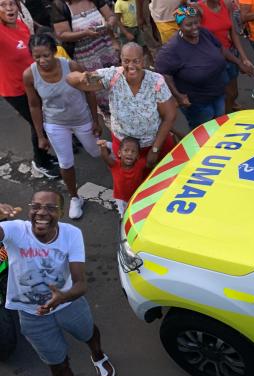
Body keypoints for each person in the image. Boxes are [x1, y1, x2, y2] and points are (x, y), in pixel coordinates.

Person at [0, 190, 116, 376]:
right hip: (32, 316)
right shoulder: (16, 230)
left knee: (88, 333)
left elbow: (80, 283)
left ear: (61, 213)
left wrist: (63, 296)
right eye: (36, 206)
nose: (41, 212)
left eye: (50, 208)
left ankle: (98, 356)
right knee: (58, 365)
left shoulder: (72, 234)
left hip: (69, 304)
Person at [24, 33, 101, 220]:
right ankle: (75, 198)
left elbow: (90, 92)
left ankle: (127, 172)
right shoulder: (29, 75)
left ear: (54, 52)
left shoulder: (71, 66)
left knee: (97, 151)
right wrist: (41, 135)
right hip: (55, 124)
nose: (42, 60)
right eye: (37, 57)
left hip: (81, 118)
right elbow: (34, 105)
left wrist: (95, 120)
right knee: (65, 162)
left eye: (46, 55)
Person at [67, 43, 177, 168]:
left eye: (136, 61)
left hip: (153, 144)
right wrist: (81, 77)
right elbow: (70, 79)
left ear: (143, 60)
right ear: (120, 59)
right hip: (124, 148)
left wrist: (155, 149)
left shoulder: (156, 81)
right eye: (126, 61)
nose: (131, 66)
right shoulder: (112, 76)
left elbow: (170, 115)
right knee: (131, 183)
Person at [0, 0, 59, 178]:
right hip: (14, 89)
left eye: (12, 3)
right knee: (38, 123)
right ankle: (40, 163)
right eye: (3, 5)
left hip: (34, 84)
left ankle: (44, 157)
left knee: (40, 121)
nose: (9, 8)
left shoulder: (20, 24)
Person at [156, 5, 240, 128]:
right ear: (179, 26)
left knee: (219, 126)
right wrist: (178, 96)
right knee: (204, 133)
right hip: (198, 102)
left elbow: (220, 48)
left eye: (196, 23)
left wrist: (239, 62)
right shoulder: (171, 49)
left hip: (218, 93)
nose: (195, 27)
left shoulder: (204, 33)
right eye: (189, 25)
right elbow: (163, 73)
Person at [50, 0, 120, 116]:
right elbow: (61, 34)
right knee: (97, 87)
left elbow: (111, 16)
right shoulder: (60, 6)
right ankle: (109, 116)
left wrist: (109, 23)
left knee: (115, 80)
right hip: (85, 56)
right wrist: (85, 33)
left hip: (106, 49)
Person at [197, 0, 254, 112]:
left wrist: (244, 58)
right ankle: (221, 121)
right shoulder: (198, 8)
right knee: (218, 97)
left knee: (233, 94)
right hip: (211, 59)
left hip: (229, 55)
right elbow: (182, 17)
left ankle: (226, 118)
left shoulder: (226, 5)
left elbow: (232, 31)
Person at [97, 137, 146, 216]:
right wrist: (103, 147)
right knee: (124, 213)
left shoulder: (140, 164)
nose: (129, 153)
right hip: (121, 198)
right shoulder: (114, 165)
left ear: (137, 156)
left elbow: (152, 161)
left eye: (133, 151)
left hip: (137, 196)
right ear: (119, 153)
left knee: (136, 212)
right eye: (126, 150)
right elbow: (105, 157)